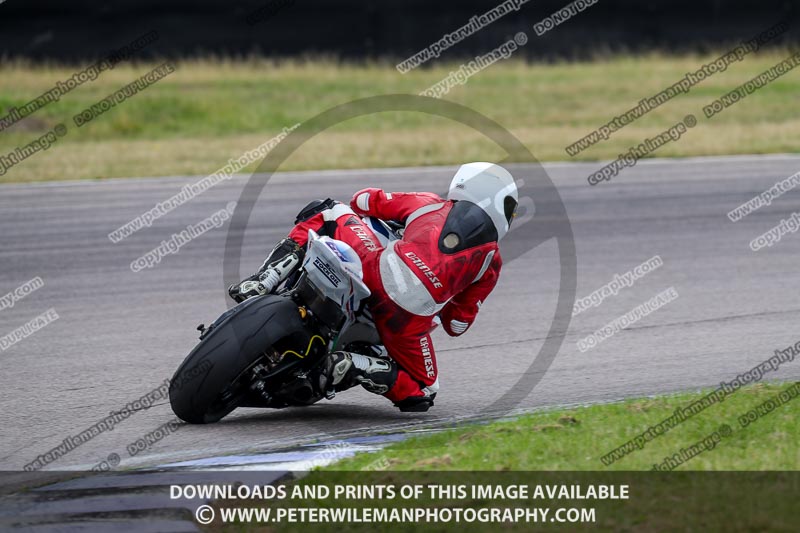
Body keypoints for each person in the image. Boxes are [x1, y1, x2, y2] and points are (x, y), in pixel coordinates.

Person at [229, 162, 518, 412]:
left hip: (373, 270)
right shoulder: (491, 263)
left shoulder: (429, 203)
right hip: (406, 322)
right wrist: (445, 293)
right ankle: (354, 364)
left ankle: (262, 280)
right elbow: (456, 326)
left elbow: (363, 200)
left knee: (328, 210)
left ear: (463, 183)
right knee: (424, 391)